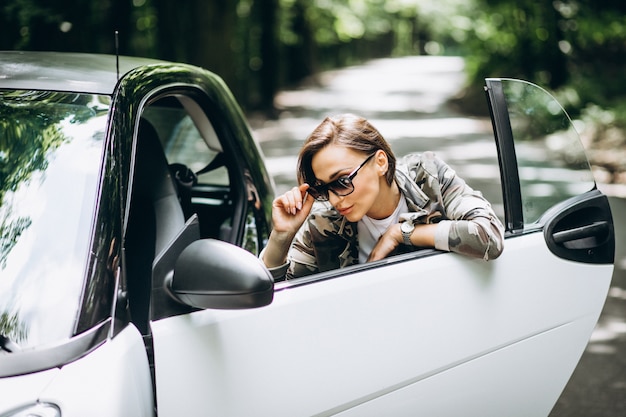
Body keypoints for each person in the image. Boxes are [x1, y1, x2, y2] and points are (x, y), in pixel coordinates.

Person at [261, 114, 504, 281]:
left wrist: (402, 233)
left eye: (343, 181)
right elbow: (282, 296)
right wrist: (281, 236)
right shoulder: (324, 224)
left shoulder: (429, 178)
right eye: (323, 189)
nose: (334, 200)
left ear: (380, 162)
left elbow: (489, 235)